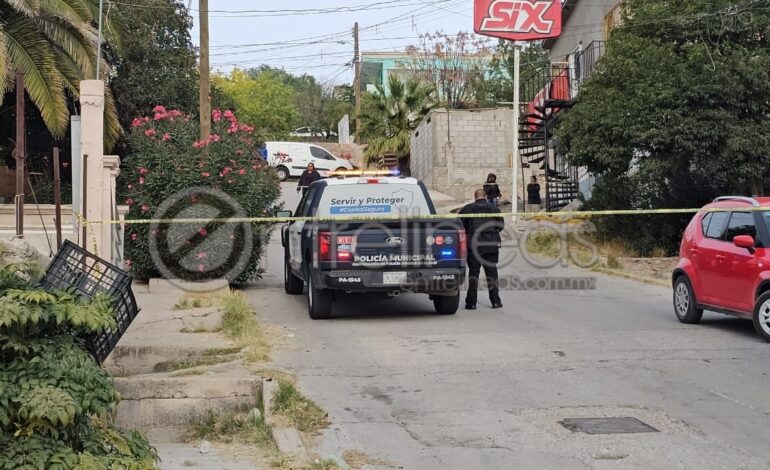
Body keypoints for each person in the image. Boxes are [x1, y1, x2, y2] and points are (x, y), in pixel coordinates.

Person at [459, 189, 504, 310]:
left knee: (474, 273)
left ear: (475, 197)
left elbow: (460, 226)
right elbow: (501, 226)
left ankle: (471, 303)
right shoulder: (494, 209)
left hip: (474, 245)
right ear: (486, 197)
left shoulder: (467, 209)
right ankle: (495, 301)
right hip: (491, 244)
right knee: (492, 273)